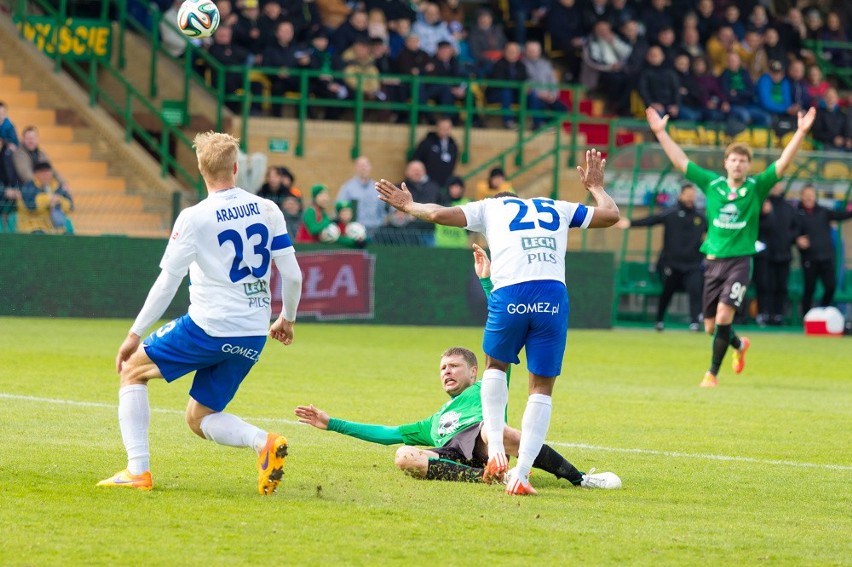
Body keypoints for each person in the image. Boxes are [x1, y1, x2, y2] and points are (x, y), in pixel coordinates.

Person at [376, 149, 620, 495]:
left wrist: (409, 206)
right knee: (541, 388)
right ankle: (520, 474)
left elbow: (436, 213)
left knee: (494, 368)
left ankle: (494, 455)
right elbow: (611, 214)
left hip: (511, 295)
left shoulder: (490, 207)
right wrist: (595, 186)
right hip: (552, 297)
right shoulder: (557, 206)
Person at [97, 132, 303, 494]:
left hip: (209, 326)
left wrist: (134, 334)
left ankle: (137, 471)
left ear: (200, 170)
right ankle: (263, 443)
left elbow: (167, 284)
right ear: (236, 168)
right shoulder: (269, 209)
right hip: (253, 331)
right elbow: (293, 275)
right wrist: (287, 317)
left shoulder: (194, 217)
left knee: (132, 371)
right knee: (199, 417)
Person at [646, 106, 816, 388]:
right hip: (713, 262)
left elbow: (783, 164)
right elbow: (681, 162)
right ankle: (739, 344)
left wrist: (799, 132)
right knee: (711, 327)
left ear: (748, 166)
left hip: (739, 261)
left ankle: (711, 373)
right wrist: (661, 133)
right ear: (726, 163)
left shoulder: (756, 187)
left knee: (725, 315)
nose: (738, 165)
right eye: (733, 160)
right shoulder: (712, 185)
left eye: (742, 161)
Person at [617, 183, 707, 331]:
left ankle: (695, 321)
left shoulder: (701, 217)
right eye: (688, 195)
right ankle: (659, 320)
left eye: (693, 195)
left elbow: (714, 233)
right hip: (671, 264)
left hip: (693, 264)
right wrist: (630, 223)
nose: (691, 198)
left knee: (696, 288)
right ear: (681, 196)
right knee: (667, 292)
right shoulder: (670, 213)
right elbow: (651, 220)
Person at [795, 184, 852, 315]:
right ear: (802, 197)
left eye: (811, 195)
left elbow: (841, 215)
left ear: (815, 196)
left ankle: (822, 312)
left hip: (826, 258)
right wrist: (797, 239)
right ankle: (806, 317)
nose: (809, 198)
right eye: (806, 195)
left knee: (830, 286)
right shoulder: (797, 214)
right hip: (809, 258)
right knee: (809, 289)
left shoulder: (823, 212)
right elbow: (791, 232)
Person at [754, 183, 798, 326]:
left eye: (777, 184)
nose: (775, 186)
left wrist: (788, 238)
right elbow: (753, 227)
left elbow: (797, 227)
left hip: (783, 254)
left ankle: (778, 315)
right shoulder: (759, 204)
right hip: (763, 255)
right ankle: (763, 314)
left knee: (781, 286)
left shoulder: (788, 207)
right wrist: (763, 214)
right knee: (764, 285)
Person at [17, 161, 73, 234]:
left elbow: (70, 206)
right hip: (33, 226)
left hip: (54, 227)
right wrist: (48, 200)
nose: (46, 176)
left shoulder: (58, 186)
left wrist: (59, 201)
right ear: (36, 174)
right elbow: (31, 206)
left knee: (68, 238)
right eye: (42, 173)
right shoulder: (28, 187)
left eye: (48, 173)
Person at [412, 117, 458, 189]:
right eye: (443, 128)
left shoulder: (453, 145)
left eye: (447, 128)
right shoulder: (427, 142)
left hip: (444, 183)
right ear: (437, 127)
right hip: (427, 183)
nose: (445, 131)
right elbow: (417, 159)